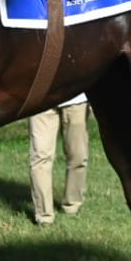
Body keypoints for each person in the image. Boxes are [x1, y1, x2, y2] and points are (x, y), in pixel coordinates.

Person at [28, 93, 89, 225]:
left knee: (78, 156)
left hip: (77, 99)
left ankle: (73, 206)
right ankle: (44, 216)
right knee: (40, 156)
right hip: (40, 101)